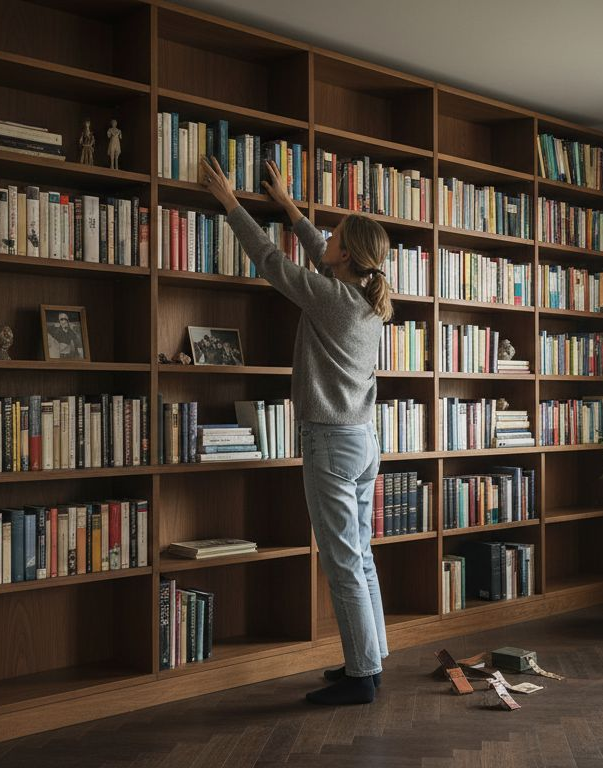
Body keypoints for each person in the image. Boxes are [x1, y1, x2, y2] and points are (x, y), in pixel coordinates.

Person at [199, 156, 393, 706]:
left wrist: (230, 203)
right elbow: (316, 254)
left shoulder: (331, 298)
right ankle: (370, 660)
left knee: (341, 561)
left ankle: (361, 679)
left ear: (348, 256)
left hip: (330, 442)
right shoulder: (363, 300)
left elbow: (269, 260)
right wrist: (287, 205)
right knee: (361, 556)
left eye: (332, 236)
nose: (323, 238)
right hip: (361, 441)